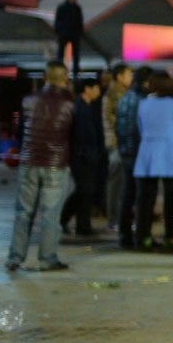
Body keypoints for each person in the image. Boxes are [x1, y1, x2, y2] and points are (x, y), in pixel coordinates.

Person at [7, 61, 76, 271]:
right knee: (50, 214)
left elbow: (19, 132)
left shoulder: (28, 100)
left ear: (45, 78)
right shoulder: (72, 103)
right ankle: (47, 258)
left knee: (23, 212)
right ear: (65, 78)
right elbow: (75, 134)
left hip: (29, 161)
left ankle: (15, 257)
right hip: (56, 163)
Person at [133, 72, 173, 251]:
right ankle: (168, 237)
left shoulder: (143, 104)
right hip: (170, 152)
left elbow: (140, 128)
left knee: (145, 199)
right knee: (171, 198)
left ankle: (144, 237)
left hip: (147, 152)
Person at [114, 65, 151, 249]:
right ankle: (141, 236)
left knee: (127, 195)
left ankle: (124, 235)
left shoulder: (124, 98)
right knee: (142, 196)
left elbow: (119, 128)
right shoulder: (143, 100)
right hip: (139, 153)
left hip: (126, 151)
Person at [61, 77, 104, 237]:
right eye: (96, 88)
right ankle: (78, 224)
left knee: (84, 190)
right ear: (87, 89)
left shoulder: (87, 106)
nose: (99, 91)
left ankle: (79, 223)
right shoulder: (80, 107)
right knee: (85, 190)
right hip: (82, 156)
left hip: (86, 155)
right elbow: (81, 135)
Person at [102, 63, 133, 232]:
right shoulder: (112, 94)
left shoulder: (123, 93)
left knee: (122, 183)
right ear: (119, 76)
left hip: (122, 142)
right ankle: (114, 219)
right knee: (116, 183)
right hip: (116, 143)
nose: (131, 78)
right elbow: (108, 119)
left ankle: (119, 218)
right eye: (128, 75)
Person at [54, 0, 84, 76]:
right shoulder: (65, 8)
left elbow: (79, 21)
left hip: (71, 33)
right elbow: (58, 20)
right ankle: (61, 69)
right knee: (61, 53)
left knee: (74, 54)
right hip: (65, 33)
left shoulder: (76, 8)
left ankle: (74, 70)